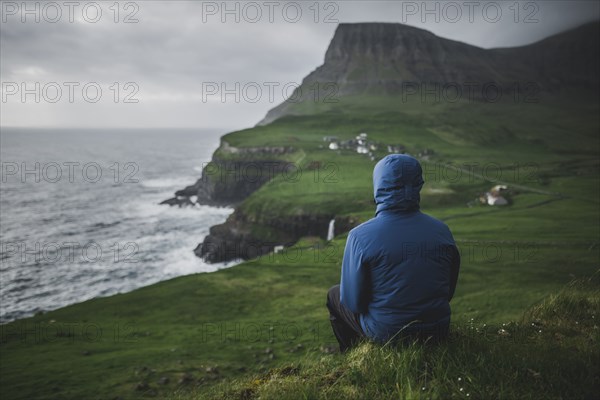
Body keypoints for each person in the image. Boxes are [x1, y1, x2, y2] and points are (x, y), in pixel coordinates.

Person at [326, 154, 460, 352]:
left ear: (379, 184)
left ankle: (353, 357)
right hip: (437, 331)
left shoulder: (359, 236)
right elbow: (448, 292)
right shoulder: (442, 230)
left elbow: (352, 303)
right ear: (418, 184)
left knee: (334, 295)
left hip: (388, 334)